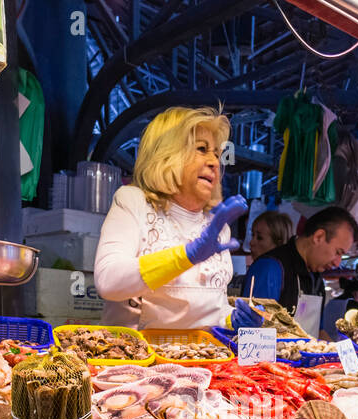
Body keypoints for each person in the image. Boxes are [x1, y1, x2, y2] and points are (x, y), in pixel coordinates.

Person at [94, 106, 247, 329]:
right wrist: (187, 255)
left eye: (216, 153)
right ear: (167, 155)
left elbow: (211, 307)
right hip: (135, 357)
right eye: (202, 149)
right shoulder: (133, 201)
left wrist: (231, 319)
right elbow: (108, 281)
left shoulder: (218, 226)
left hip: (203, 358)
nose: (215, 162)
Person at [234, 205, 356, 329]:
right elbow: (253, 333)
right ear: (319, 237)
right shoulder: (270, 267)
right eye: (338, 252)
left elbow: (318, 332)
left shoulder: (316, 278)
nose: (337, 263)